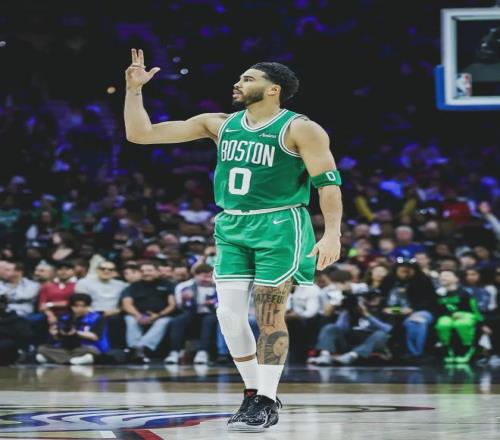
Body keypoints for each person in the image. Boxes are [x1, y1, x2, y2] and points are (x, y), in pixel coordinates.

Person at [124, 50, 342, 431]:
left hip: (280, 223)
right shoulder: (219, 124)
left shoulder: (300, 129)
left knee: (269, 314)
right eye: (240, 78)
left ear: (273, 89)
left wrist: (332, 234)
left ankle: (266, 399)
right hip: (231, 224)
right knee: (227, 315)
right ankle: (253, 392)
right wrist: (134, 90)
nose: (238, 84)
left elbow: (328, 184)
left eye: (248, 79)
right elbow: (140, 134)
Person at [121, 261, 176, 363]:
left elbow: (172, 305)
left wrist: (158, 315)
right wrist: (138, 315)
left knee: (163, 322)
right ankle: (135, 348)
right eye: (143, 271)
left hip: (160, 315)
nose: (146, 273)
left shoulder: (168, 285)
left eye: (149, 270)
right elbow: (126, 304)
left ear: (157, 272)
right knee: (130, 320)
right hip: (137, 314)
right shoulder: (133, 286)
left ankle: (140, 348)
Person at [164, 263, 218, 365]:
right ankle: (174, 352)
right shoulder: (184, 286)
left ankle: (203, 352)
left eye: (209, 276)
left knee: (208, 320)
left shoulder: (218, 286)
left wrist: (213, 303)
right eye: (204, 276)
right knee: (178, 320)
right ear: (195, 275)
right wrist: (185, 300)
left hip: (211, 313)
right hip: (191, 312)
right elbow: (180, 306)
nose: (206, 279)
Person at [37, 293, 108, 365]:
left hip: (85, 347)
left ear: (89, 306)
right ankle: (72, 360)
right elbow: (58, 338)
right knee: (42, 349)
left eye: (83, 306)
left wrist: (76, 333)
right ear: (71, 307)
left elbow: (95, 337)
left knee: (92, 351)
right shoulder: (64, 318)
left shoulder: (97, 318)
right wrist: (54, 334)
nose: (80, 309)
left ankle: (59, 360)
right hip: (66, 348)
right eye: (76, 306)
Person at [435, 270, 483, 363]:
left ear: (456, 279)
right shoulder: (438, 293)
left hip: (467, 315)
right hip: (447, 316)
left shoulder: (465, 292)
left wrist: (482, 323)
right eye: (441, 276)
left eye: (447, 275)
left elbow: (474, 308)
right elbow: (437, 310)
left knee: (461, 324)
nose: (443, 277)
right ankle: (447, 348)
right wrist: (450, 314)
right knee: (443, 324)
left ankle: (467, 347)